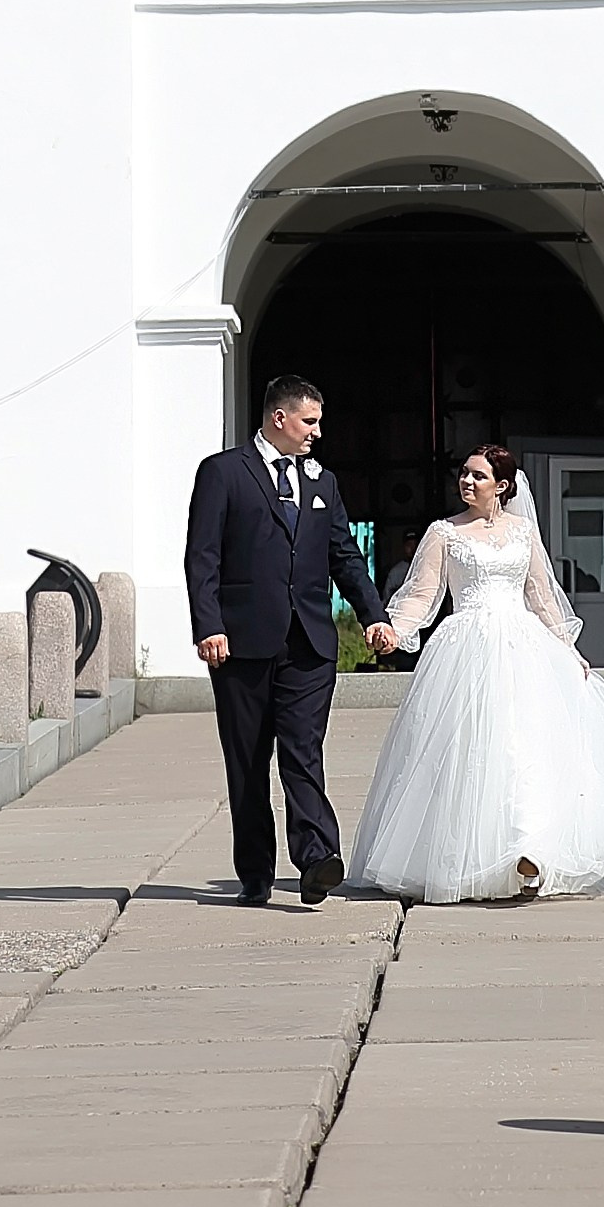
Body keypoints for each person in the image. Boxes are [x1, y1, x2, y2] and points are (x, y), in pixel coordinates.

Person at [345, 443, 604, 904]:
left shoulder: (523, 532)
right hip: (465, 647)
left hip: (524, 646)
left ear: (501, 486)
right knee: (473, 751)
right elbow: (422, 595)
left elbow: (541, 595)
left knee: (526, 745)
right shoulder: (443, 532)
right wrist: (393, 630)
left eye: (478, 476)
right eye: (464, 473)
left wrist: (568, 650)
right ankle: (475, 855)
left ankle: (532, 849)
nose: (467, 481)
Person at [184, 367, 395, 906]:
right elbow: (202, 556)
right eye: (309, 422)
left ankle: (317, 858)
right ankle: (255, 872)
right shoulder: (223, 473)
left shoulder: (323, 482)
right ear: (279, 418)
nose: (317, 432)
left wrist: (373, 615)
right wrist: (209, 625)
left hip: (310, 644)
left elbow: (344, 556)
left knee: (303, 752)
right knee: (248, 763)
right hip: (241, 644)